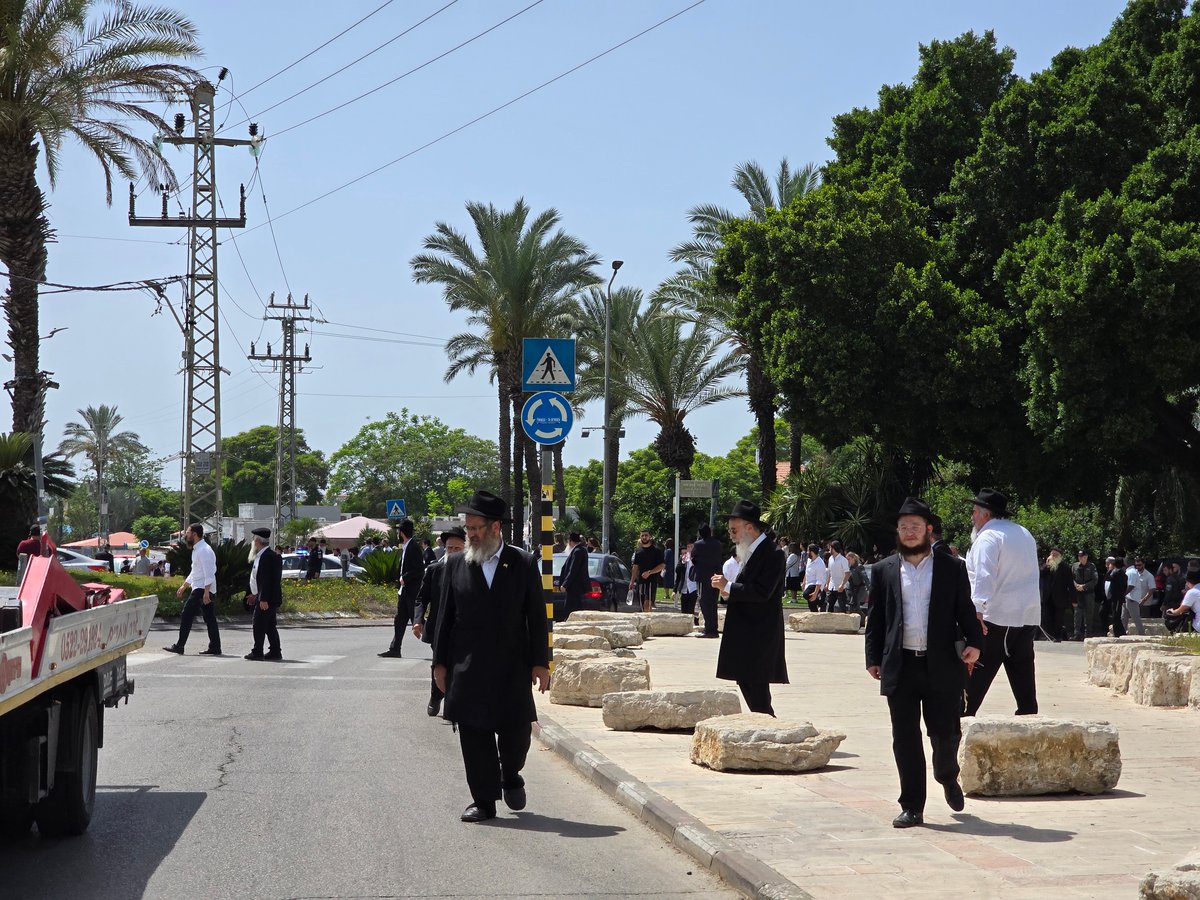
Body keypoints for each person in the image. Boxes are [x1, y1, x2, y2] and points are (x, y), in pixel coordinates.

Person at [431, 490, 550, 823]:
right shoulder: (456, 564)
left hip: (511, 667)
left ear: (496, 527)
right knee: (473, 736)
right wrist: (439, 664)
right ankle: (483, 802)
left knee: (516, 738)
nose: (469, 534)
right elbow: (444, 617)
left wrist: (541, 662)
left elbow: (537, 617)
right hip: (467, 668)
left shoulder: (522, 563)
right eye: (467, 527)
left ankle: (510, 775)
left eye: (476, 528)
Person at [865, 497, 983, 829]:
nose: (910, 532)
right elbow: (876, 619)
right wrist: (873, 658)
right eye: (904, 527)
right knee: (904, 736)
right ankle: (912, 805)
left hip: (942, 664)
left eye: (916, 526)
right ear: (898, 532)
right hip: (900, 665)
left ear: (928, 530)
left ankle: (947, 775)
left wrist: (975, 642)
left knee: (945, 733)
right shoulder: (884, 569)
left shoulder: (952, 567)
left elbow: (965, 609)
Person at [963, 489, 1041, 716]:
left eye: (975, 512)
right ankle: (1029, 723)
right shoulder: (1023, 532)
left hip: (997, 617)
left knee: (974, 678)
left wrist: (976, 613)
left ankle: (960, 724)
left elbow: (984, 576)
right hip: (1027, 617)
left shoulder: (988, 537)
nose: (972, 517)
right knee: (1023, 678)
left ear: (985, 515)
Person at [711, 500, 788, 715]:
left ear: (749, 527)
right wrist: (727, 589)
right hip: (747, 630)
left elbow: (763, 591)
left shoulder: (773, 553)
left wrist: (728, 586)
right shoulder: (750, 550)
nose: (731, 535)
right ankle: (764, 722)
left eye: (734, 530)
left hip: (760, 631)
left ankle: (766, 725)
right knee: (745, 678)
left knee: (756, 683)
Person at [413, 526, 466, 716]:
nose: (452, 553)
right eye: (449, 548)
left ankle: (454, 701)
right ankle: (436, 696)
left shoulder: (472, 571)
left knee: (459, 665)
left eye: (457, 549)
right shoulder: (434, 570)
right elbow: (421, 598)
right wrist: (418, 620)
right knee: (440, 661)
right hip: (439, 628)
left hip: (462, 629)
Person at [164, 523, 221, 656]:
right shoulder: (197, 549)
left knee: (187, 614)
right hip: (200, 587)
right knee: (210, 618)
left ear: (194, 534)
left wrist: (207, 592)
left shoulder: (204, 550)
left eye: (188, 532)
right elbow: (195, 570)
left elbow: (209, 572)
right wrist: (185, 585)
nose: (185, 535)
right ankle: (215, 647)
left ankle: (180, 646)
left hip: (202, 589)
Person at [380, 519, 425, 658]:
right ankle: (395, 649)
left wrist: (405, 577)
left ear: (402, 532)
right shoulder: (406, 547)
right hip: (404, 592)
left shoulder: (414, 547)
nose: (397, 533)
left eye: (399, 531)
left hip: (411, 592)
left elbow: (419, 569)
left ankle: (439, 645)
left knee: (418, 622)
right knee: (399, 620)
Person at [244, 528, 283, 660]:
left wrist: (263, 598)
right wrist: (255, 594)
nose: (253, 542)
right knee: (269, 625)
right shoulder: (261, 555)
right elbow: (258, 579)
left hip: (267, 599)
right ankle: (275, 651)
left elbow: (268, 580)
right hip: (263, 597)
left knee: (259, 624)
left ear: (258, 541)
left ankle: (257, 651)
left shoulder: (268, 557)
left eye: (254, 539)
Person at [691, 525, 724, 637]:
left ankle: (709, 629)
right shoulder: (718, 544)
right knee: (713, 603)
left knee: (704, 602)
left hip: (702, 576)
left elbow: (693, 557)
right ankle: (713, 628)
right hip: (715, 576)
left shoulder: (698, 544)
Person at [630, 530, 665, 613]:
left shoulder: (656, 551)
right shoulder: (638, 551)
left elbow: (662, 565)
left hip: (651, 581)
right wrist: (632, 581)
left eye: (646, 535)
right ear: (640, 537)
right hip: (640, 581)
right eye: (642, 536)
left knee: (647, 603)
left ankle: (647, 623)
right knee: (641, 605)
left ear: (650, 537)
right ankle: (644, 622)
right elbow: (635, 567)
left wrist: (650, 572)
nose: (644, 537)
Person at [559, 532, 590, 619]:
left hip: (574, 587)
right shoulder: (581, 550)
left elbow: (573, 570)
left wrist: (565, 584)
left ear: (570, 541)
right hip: (576, 587)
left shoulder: (577, 551)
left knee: (570, 611)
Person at [1071, 550, 1098, 642]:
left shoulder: (1091, 566)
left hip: (1088, 593)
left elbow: (1095, 580)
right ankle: (1076, 634)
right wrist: (1076, 586)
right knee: (1077, 614)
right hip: (1078, 593)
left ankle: (1088, 633)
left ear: (1086, 557)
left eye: (1082, 556)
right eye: (1079, 556)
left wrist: (1084, 586)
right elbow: (1072, 578)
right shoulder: (1075, 566)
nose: (1080, 558)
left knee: (1089, 613)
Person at [1124, 556, 1154, 636]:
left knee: (1139, 619)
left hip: (1144, 603)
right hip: (1132, 599)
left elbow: (1152, 589)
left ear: (1144, 564)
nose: (1138, 567)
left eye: (1140, 565)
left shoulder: (1149, 576)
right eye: (1136, 565)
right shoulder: (1134, 573)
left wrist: (1143, 600)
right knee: (1125, 617)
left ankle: (1143, 634)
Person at [677, 540, 699, 625]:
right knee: (684, 611)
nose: (689, 549)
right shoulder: (684, 557)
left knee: (692, 610)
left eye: (691, 547)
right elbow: (677, 571)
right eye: (688, 547)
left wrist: (693, 560)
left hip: (694, 588)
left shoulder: (697, 558)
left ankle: (693, 625)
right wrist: (682, 562)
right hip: (684, 588)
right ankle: (684, 627)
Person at [825, 540, 850, 612]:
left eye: (830, 548)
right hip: (831, 587)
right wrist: (827, 584)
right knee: (830, 606)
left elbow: (847, 573)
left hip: (840, 588)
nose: (829, 549)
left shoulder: (843, 560)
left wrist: (842, 585)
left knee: (842, 608)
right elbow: (830, 573)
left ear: (833, 548)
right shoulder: (830, 559)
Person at [803, 543, 827, 612]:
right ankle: (815, 615)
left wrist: (815, 593)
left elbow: (819, 580)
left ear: (812, 552)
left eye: (808, 551)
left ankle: (821, 602)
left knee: (806, 595)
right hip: (809, 584)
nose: (807, 552)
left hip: (816, 585)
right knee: (811, 604)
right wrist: (804, 582)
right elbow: (807, 571)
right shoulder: (809, 560)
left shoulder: (819, 563)